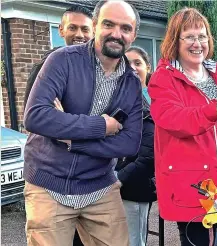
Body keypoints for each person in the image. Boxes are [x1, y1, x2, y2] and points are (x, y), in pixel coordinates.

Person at [22, 1, 142, 245]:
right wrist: (101, 127)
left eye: (125, 28)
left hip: (100, 185)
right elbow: (36, 116)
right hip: (49, 184)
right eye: (108, 24)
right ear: (96, 25)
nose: (116, 34)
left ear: (134, 34)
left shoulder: (131, 82)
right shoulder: (62, 60)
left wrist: (71, 140)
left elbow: (130, 144)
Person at [148, 8, 217, 246]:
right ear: (174, 40)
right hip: (198, 188)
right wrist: (214, 109)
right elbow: (173, 120)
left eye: (202, 36)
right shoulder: (163, 79)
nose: (197, 43)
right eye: (189, 36)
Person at [114, 46, 156, 246]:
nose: (132, 68)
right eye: (127, 64)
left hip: (136, 181)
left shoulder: (157, 99)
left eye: (137, 63)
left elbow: (150, 153)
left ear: (148, 67)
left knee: (134, 238)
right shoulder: (115, 98)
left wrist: (120, 176)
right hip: (111, 181)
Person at [25, 5, 93, 103]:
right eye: (72, 28)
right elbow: (34, 114)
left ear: (93, 32)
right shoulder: (47, 65)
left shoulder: (98, 66)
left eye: (85, 29)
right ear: (61, 30)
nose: (79, 35)